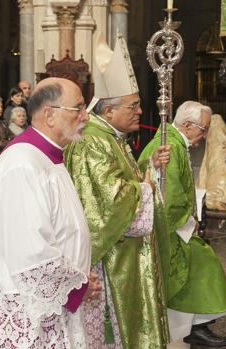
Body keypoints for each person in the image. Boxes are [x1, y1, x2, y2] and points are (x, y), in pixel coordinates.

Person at [64, 33, 170, 349]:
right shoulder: (94, 142)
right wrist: (147, 189)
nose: (140, 111)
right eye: (133, 106)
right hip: (108, 261)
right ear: (109, 111)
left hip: (124, 254)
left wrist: (148, 166)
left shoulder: (110, 137)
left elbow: (124, 181)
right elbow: (108, 204)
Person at [0, 77, 96, 348]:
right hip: (30, 310)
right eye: (79, 108)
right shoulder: (22, 164)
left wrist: (80, 274)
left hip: (53, 304)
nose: (86, 116)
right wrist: (78, 285)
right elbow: (32, 254)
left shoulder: (47, 157)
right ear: (50, 114)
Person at [139, 101, 226, 347]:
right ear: (186, 125)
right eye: (202, 130)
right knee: (202, 263)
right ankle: (194, 327)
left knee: (203, 262)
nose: (203, 137)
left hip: (178, 225)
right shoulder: (168, 146)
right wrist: (186, 223)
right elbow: (168, 196)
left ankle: (198, 325)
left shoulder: (175, 141)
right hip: (167, 229)